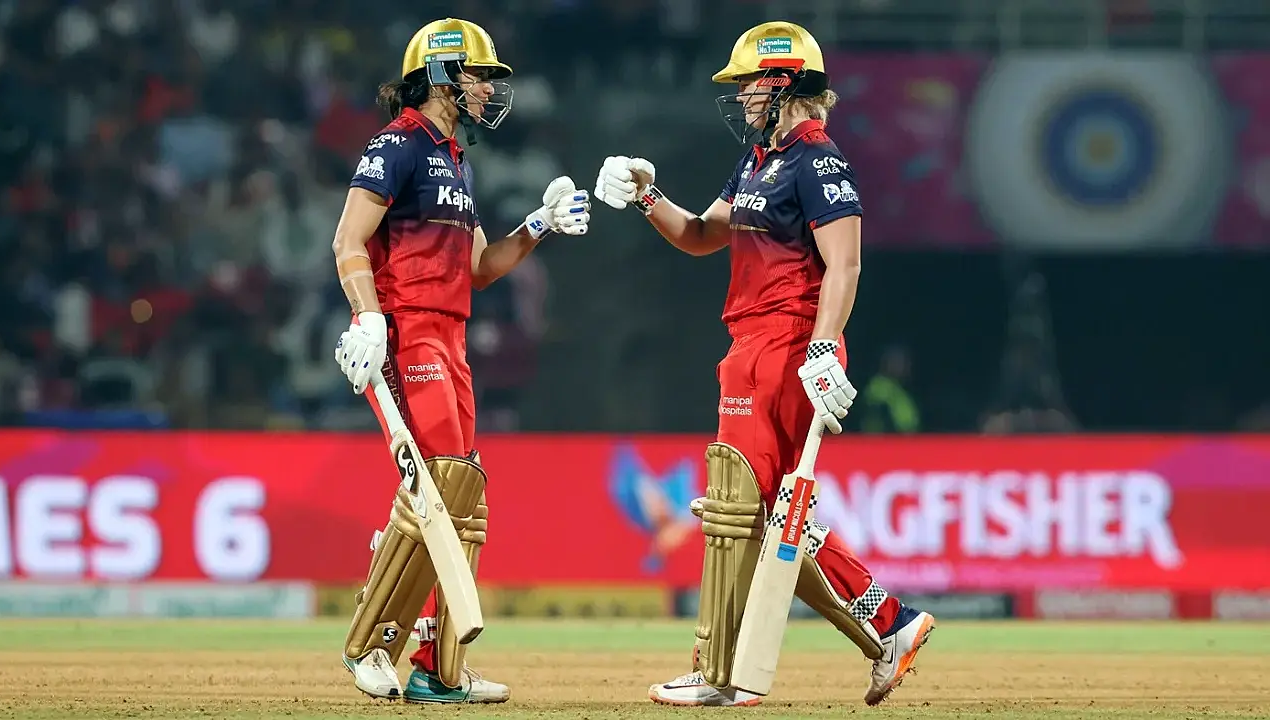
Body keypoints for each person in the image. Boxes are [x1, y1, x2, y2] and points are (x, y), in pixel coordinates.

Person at [593, 21, 934, 708]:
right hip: (751, 345)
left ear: (783, 84)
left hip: (786, 346)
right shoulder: (757, 160)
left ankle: (718, 672)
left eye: (750, 84)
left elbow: (845, 263)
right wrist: (647, 197)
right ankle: (889, 624)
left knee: (740, 508)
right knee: (773, 515)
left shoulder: (817, 161)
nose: (742, 96)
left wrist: (824, 344)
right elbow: (701, 236)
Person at [331, 17, 590, 705]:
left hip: (451, 337)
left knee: (459, 495)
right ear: (442, 75)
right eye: (478, 75)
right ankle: (370, 644)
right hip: (404, 333)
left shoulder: (455, 159)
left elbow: (480, 267)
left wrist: (539, 225)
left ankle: (439, 670)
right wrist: (368, 318)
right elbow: (348, 241)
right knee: (438, 487)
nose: (487, 89)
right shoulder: (397, 144)